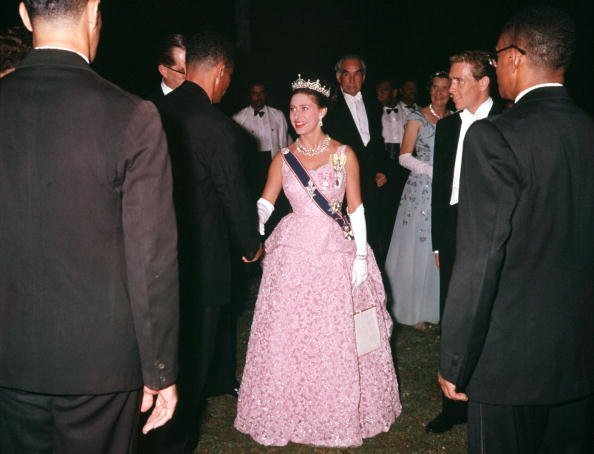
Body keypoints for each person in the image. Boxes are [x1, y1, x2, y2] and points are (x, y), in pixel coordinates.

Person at [0, 1, 179, 452]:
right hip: (99, 368)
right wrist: (160, 371)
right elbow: (150, 258)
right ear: (94, 10)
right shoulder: (133, 116)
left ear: (24, 15)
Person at [439, 6, 594, 453]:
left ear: (513, 57)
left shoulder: (495, 136)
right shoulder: (587, 129)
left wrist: (455, 359)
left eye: (495, 55)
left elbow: (479, 258)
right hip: (578, 352)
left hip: (508, 359)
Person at [235, 75, 401, 447]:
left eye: (305, 108)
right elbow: (266, 202)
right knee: (290, 332)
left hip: (334, 252)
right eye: (293, 109)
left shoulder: (344, 155)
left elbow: (355, 208)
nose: (297, 115)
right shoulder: (284, 157)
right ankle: (290, 406)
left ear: (323, 112)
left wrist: (360, 255)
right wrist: (254, 226)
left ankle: (335, 406)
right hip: (293, 252)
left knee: (333, 332)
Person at [153, 31, 262, 453]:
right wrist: (251, 246)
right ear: (219, 72)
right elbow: (235, 199)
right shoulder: (219, 128)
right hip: (202, 269)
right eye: (229, 78)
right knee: (192, 370)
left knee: (161, 366)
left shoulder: (151, 110)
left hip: (155, 266)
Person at [425, 50, 502, 434]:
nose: (449, 89)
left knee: (489, 313)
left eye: (458, 81)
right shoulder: (447, 127)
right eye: (449, 81)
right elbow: (440, 188)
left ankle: (486, 401)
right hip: (454, 227)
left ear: (483, 82)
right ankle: (452, 406)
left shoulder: (508, 123)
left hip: (491, 229)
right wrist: (439, 242)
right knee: (451, 312)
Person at [384, 71, 450, 330]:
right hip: (421, 188)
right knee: (419, 245)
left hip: (445, 191)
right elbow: (403, 156)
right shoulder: (417, 117)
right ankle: (412, 309)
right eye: (435, 87)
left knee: (439, 245)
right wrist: (431, 171)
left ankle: (434, 306)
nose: (439, 93)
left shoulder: (454, 119)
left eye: (444, 88)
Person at [324, 54, 388, 263]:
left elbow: (376, 141)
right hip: (341, 182)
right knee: (345, 235)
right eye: (346, 74)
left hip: (370, 181)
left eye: (357, 74)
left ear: (364, 76)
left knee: (371, 231)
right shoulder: (328, 106)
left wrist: (380, 169)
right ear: (338, 76)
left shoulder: (373, 103)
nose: (352, 80)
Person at [232, 82, 292, 198]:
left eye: (261, 93)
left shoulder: (278, 115)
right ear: (249, 96)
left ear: (266, 95)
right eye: (255, 93)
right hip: (251, 167)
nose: (258, 97)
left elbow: (284, 146)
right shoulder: (238, 119)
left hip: (272, 163)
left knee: (275, 201)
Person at [145, 33, 186, 103]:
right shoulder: (150, 107)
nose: (192, 76)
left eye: (193, 68)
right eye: (183, 72)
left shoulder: (204, 98)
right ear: (164, 71)